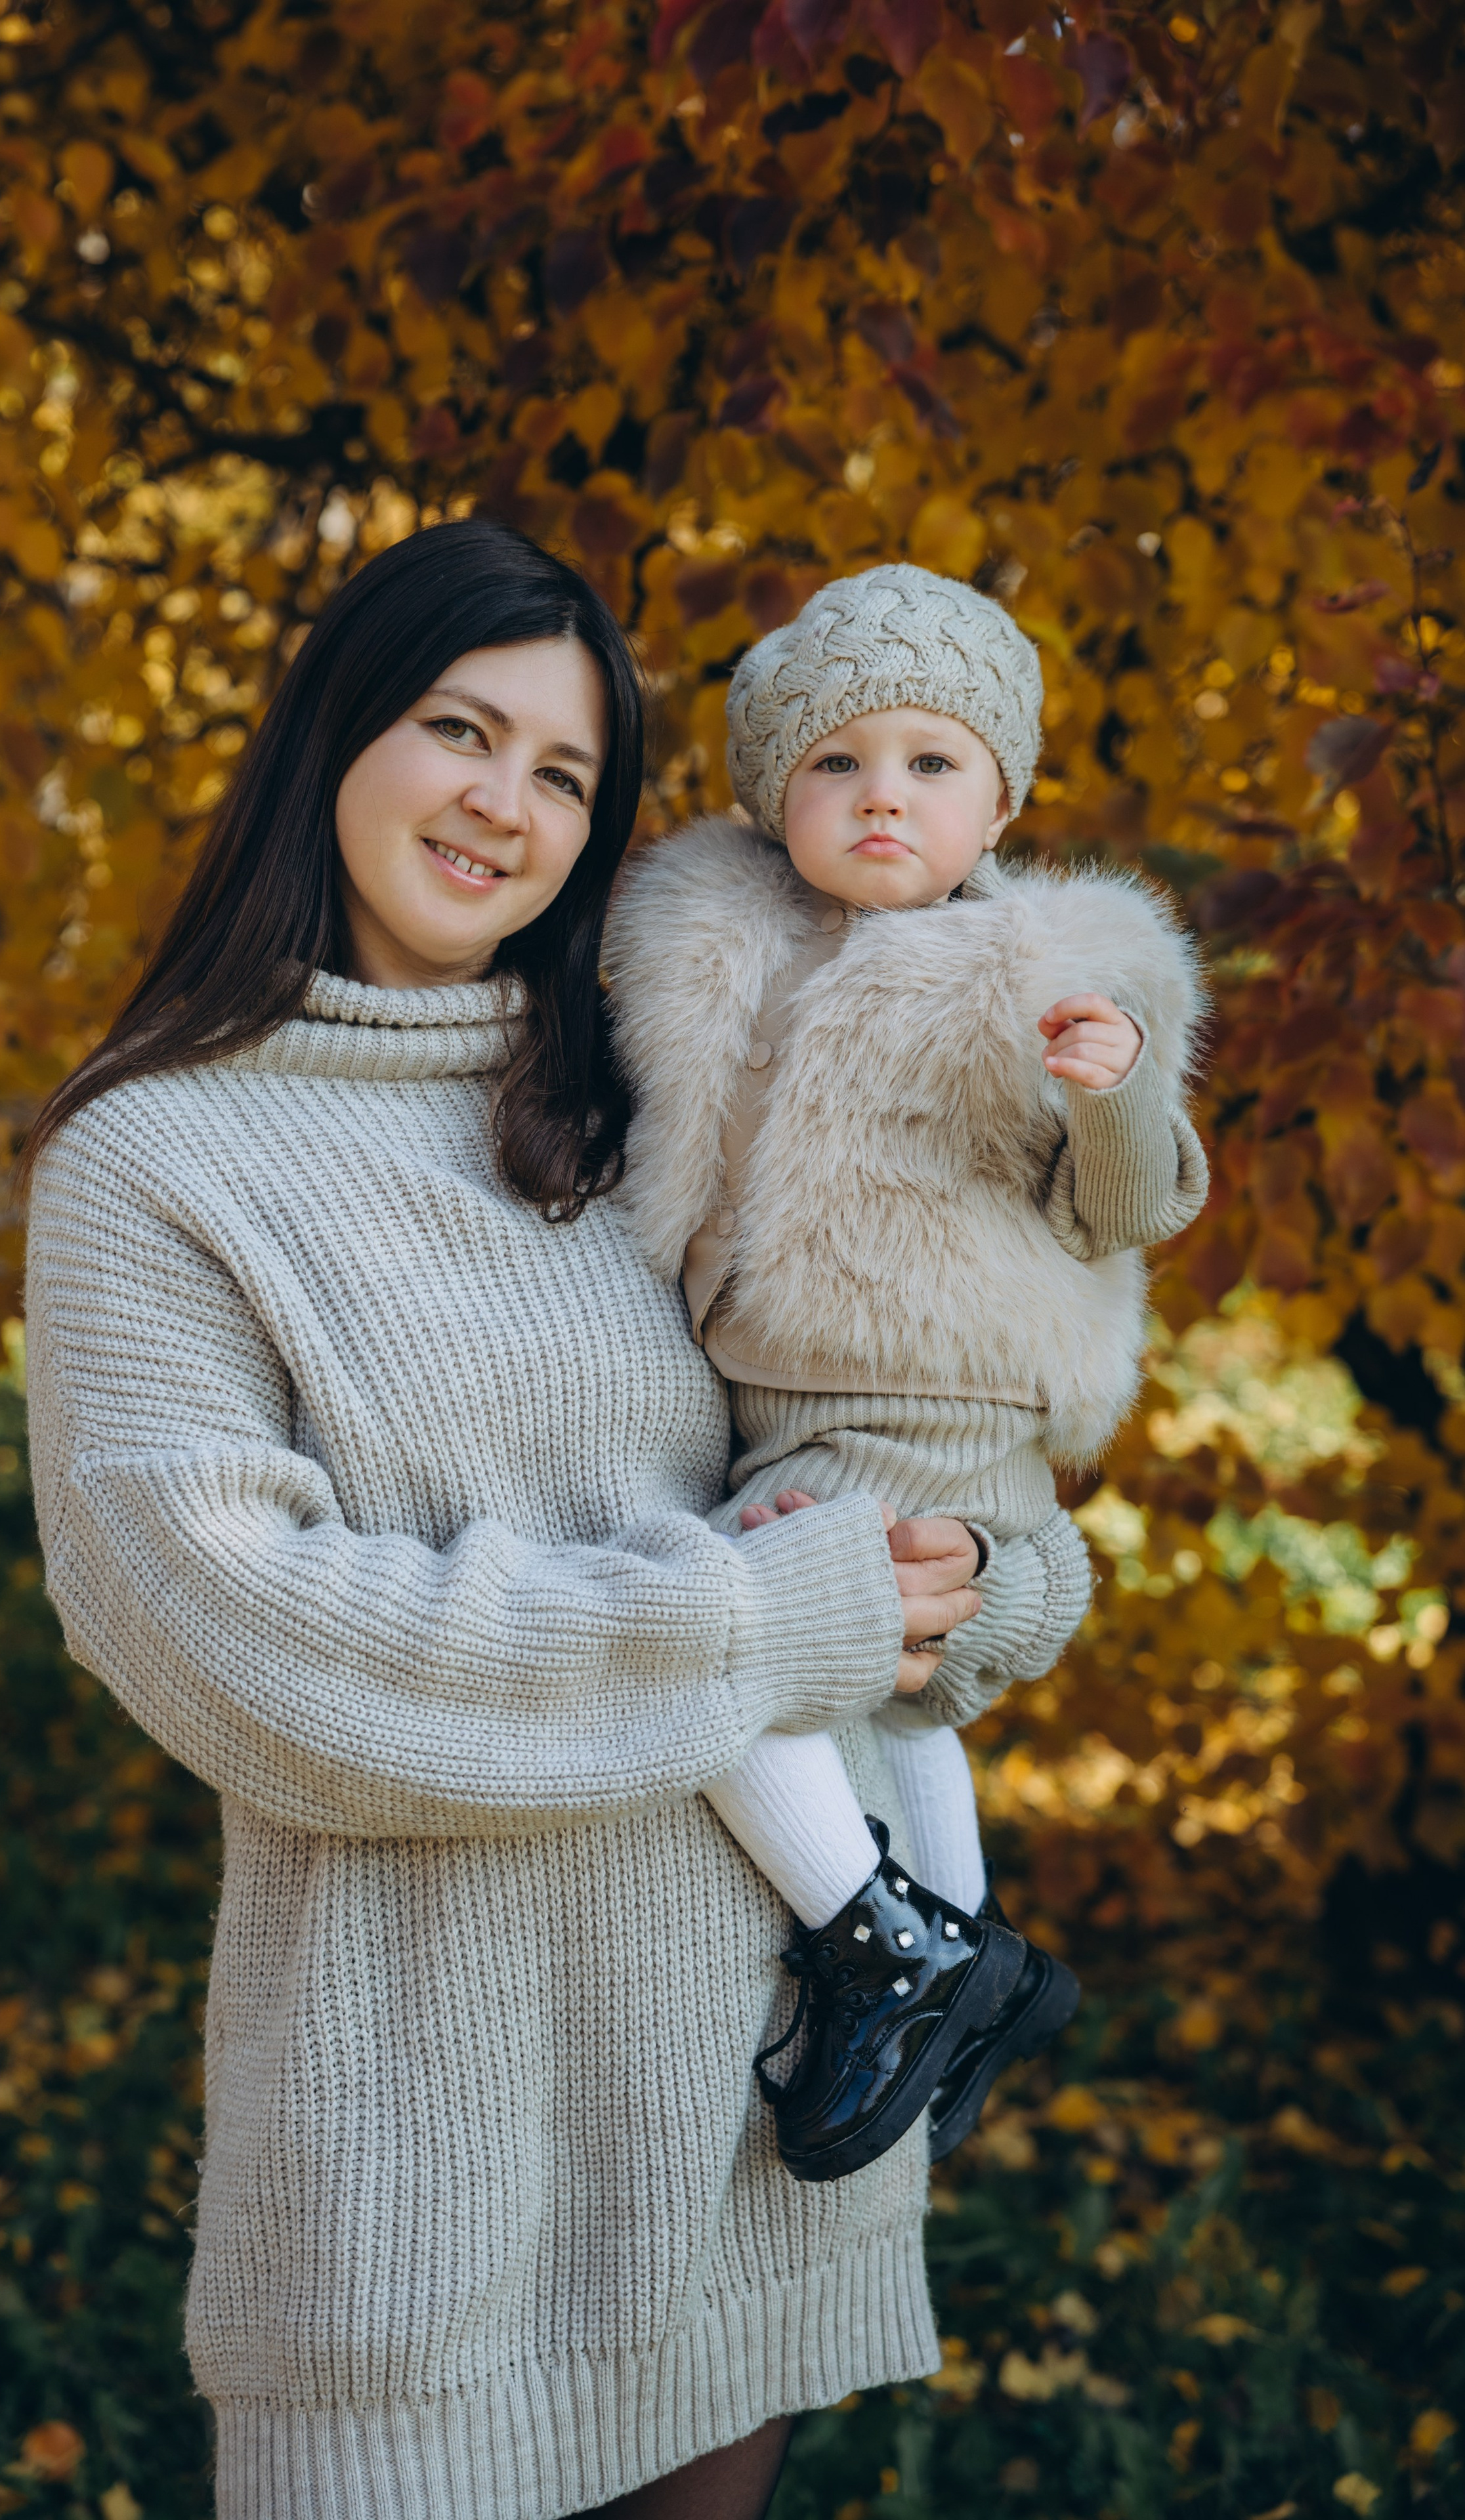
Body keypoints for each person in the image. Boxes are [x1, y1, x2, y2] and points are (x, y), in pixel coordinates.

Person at [20, 519, 1010, 2520]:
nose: (507, 804)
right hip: (423, 2159)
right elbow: (253, 1646)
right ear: (334, 740)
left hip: (739, 2106)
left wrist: (978, 1577)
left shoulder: (640, 1106)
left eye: (565, 775)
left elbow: (890, 1417)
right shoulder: (156, 1160)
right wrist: (778, 1619)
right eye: (460, 730)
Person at [605, 560, 1208, 2183]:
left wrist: (1112, 1090)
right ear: (770, 795)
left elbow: (1129, 1204)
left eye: (929, 764)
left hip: (933, 1395)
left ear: (1000, 796)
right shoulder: (712, 943)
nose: (883, 798)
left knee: (726, 1640)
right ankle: (963, 1955)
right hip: (789, 1392)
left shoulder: (1043, 973)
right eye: (836, 764)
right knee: (907, 1698)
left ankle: (876, 1941)